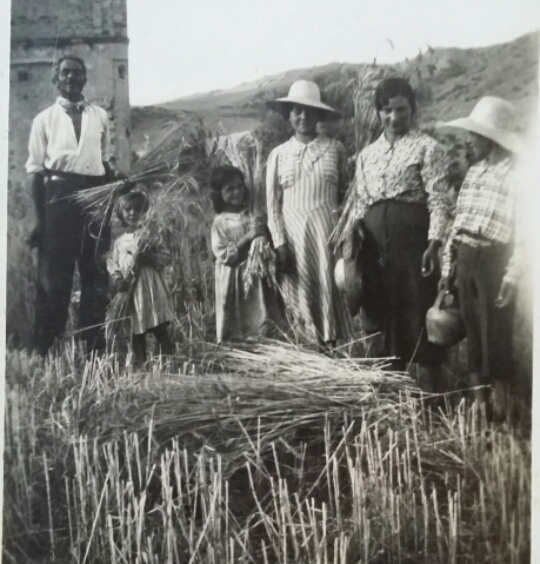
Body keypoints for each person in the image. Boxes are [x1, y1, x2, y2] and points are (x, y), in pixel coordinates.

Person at [345, 77, 450, 389]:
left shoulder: (428, 148)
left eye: (401, 109)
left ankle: (432, 400)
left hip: (413, 245)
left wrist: (434, 244)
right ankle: (393, 397)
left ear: (412, 109)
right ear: (378, 112)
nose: (394, 117)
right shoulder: (367, 155)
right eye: (387, 110)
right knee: (382, 317)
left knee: (418, 314)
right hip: (375, 248)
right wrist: (355, 230)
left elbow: (438, 200)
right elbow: (361, 201)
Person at [26, 55, 124, 355]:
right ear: (56, 79)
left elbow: (104, 161)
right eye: (65, 72)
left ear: (84, 78)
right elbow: (36, 173)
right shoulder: (43, 119)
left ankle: (93, 347)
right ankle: (46, 350)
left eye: (77, 72)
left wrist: (116, 184)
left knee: (95, 273)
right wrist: (41, 221)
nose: (71, 77)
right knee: (56, 280)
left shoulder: (100, 116)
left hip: (94, 197)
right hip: (59, 199)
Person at [439, 97, 523, 417]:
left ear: (492, 139)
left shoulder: (518, 177)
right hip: (466, 257)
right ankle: (480, 405)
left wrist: (512, 275)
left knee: (496, 337)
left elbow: (527, 234)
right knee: (473, 334)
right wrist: (448, 268)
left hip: (494, 260)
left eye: (475, 135)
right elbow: (458, 224)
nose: (469, 140)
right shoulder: (474, 172)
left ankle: (503, 409)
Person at [265, 80, 353, 348]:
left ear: (319, 115)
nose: (303, 117)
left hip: (327, 239)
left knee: (329, 295)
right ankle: (306, 356)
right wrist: (279, 243)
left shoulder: (335, 149)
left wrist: (345, 236)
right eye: (297, 111)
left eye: (310, 111)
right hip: (293, 242)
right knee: (298, 300)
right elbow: (272, 204)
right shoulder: (278, 154)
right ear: (288, 115)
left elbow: (346, 196)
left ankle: (331, 355)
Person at [210, 165, 281, 343]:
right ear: (219, 193)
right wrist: (249, 236)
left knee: (261, 317)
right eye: (230, 189)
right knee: (238, 327)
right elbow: (224, 255)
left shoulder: (252, 214)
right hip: (234, 279)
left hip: (256, 277)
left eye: (239, 186)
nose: (237, 192)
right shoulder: (220, 222)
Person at [107, 186, 175, 366]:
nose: (132, 213)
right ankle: (142, 365)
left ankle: (169, 362)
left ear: (146, 212)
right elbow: (112, 263)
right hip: (132, 292)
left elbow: (166, 257)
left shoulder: (151, 236)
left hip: (151, 288)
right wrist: (118, 279)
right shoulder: (119, 242)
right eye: (128, 210)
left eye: (138, 209)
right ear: (121, 213)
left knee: (160, 326)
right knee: (136, 330)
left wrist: (150, 258)